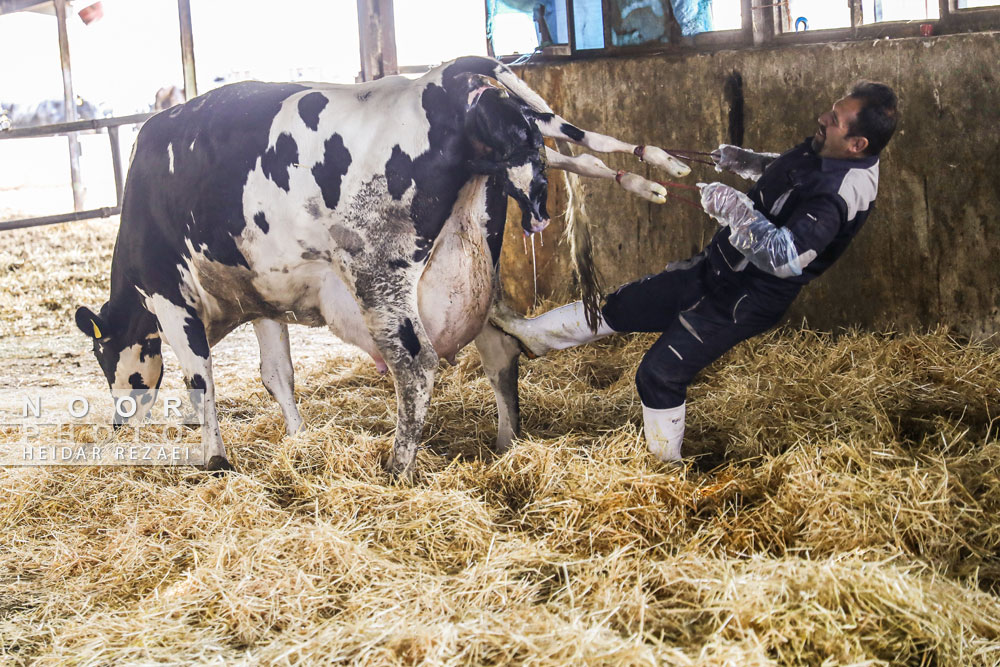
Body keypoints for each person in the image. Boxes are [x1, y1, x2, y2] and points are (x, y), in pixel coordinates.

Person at [490, 81, 899, 463]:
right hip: (717, 266)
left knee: (659, 373)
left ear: (857, 144)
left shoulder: (840, 194)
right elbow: (794, 174)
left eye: (835, 121)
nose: (823, 120)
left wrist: (736, 210)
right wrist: (750, 163)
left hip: (746, 298)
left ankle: (664, 472)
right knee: (623, 304)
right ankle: (532, 337)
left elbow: (783, 257)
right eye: (831, 111)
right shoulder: (828, 150)